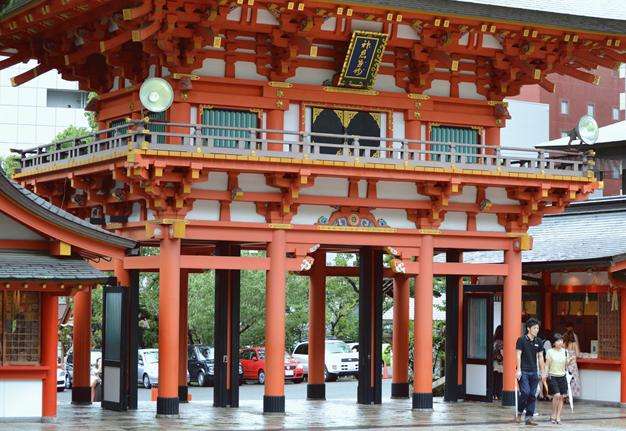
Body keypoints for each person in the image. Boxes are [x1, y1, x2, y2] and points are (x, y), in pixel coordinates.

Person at [515, 317, 547, 426]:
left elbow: (541, 357)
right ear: (528, 328)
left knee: (532, 395)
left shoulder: (539, 341)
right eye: (534, 328)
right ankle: (519, 412)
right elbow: (518, 355)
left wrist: (543, 372)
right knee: (525, 392)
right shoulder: (521, 340)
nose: (537, 330)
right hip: (523, 371)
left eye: (538, 328)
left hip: (534, 371)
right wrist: (518, 369)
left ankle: (529, 418)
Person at [545, 333, 573, 424]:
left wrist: (570, 361)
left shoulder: (565, 351)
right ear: (554, 343)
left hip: (562, 376)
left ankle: (558, 416)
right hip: (553, 376)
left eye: (561, 340)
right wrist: (544, 374)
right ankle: (553, 414)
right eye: (558, 341)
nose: (560, 342)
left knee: (561, 397)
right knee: (556, 395)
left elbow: (566, 365)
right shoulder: (550, 352)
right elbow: (547, 365)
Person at [562, 329, 581, 398]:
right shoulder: (574, 344)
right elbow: (578, 354)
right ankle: (569, 396)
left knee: (565, 380)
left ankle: (565, 395)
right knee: (573, 381)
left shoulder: (563, 344)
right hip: (572, 365)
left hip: (565, 364)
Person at [492, 325, 503, 400]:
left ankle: (494, 394)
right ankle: (498, 394)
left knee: (495, 378)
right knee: (499, 379)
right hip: (500, 363)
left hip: (494, 362)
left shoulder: (494, 341)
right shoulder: (502, 342)